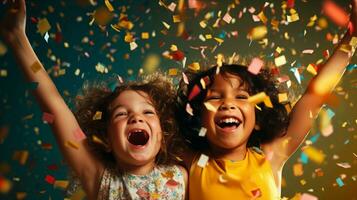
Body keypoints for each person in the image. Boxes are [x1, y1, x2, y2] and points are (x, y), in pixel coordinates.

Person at [0, 0, 187, 199]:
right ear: (106, 139)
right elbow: (54, 105)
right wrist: (16, 36)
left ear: (163, 132)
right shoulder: (99, 178)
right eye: (121, 114)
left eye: (148, 112)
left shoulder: (181, 177)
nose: (136, 118)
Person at [176, 1, 357, 199]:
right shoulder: (191, 162)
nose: (228, 103)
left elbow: (315, 96)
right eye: (216, 97)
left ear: (259, 116)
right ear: (198, 115)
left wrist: (353, 37)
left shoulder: (271, 156)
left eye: (242, 97)